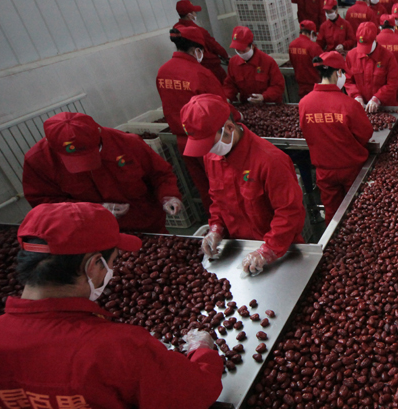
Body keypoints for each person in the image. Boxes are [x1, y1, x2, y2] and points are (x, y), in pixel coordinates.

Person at [0, 202, 222, 409]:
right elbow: (194, 395)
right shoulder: (116, 348)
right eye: (113, 260)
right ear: (94, 265)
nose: (114, 268)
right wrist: (203, 351)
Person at [181, 94, 305, 275]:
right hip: (239, 248)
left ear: (229, 127)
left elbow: (290, 212)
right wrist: (216, 227)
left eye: (210, 143)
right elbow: (217, 199)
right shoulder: (212, 156)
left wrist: (268, 250)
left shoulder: (270, 160)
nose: (207, 150)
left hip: (280, 250)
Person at [23, 113, 182, 234]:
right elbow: (44, 203)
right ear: (51, 145)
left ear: (98, 134)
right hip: (92, 232)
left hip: (147, 225)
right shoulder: (39, 161)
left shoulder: (128, 143)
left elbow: (161, 174)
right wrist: (93, 211)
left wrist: (169, 196)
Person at [157, 26, 236, 212]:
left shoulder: (163, 72)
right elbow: (220, 106)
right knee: (222, 185)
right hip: (208, 141)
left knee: (204, 185)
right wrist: (237, 116)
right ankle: (229, 221)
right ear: (196, 50)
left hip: (184, 141)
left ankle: (213, 220)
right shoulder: (200, 73)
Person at [299, 52, 374, 222]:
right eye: (343, 73)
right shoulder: (349, 105)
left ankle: (332, 237)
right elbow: (365, 134)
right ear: (338, 72)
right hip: (351, 169)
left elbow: (307, 132)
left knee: (332, 213)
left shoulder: (304, 103)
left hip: (324, 171)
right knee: (357, 212)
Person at [345, 22, 398, 111]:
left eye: (367, 46)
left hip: (384, 106)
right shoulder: (351, 56)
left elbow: (393, 82)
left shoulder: (388, 57)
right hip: (360, 107)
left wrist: (377, 98)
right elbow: (347, 80)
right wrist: (356, 95)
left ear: (375, 39)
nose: (364, 51)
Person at [224, 26, 285, 104]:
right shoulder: (233, 62)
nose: (241, 53)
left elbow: (278, 86)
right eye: (238, 51)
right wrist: (227, 97)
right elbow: (229, 85)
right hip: (247, 104)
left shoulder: (267, 61)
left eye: (244, 51)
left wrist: (264, 97)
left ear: (252, 46)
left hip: (268, 104)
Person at [173, 0, 229, 83]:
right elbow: (214, 46)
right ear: (189, 15)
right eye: (194, 12)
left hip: (190, 66)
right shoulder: (198, 31)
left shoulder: (176, 29)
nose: (196, 14)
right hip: (210, 65)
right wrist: (226, 56)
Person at [288, 20, 324, 98]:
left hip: (300, 85)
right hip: (314, 85)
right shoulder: (313, 47)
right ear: (312, 32)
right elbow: (323, 65)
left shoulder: (292, 45)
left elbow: (293, 62)